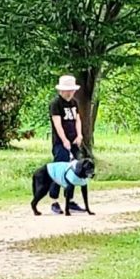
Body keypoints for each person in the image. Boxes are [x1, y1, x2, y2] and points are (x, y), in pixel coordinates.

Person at [48, 73, 84, 215]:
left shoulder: (75, 103)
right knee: (59, 170)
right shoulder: (55, 104)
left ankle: (69, 200)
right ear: (61, 90)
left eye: (72, 90)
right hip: (60, 143)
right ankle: (54, 201)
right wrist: (64, 140)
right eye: (67, 90)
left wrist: (79, 135)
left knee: (74, 170)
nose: (70, 93)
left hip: (74, 141)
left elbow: (77, 120)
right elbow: (57, 123)